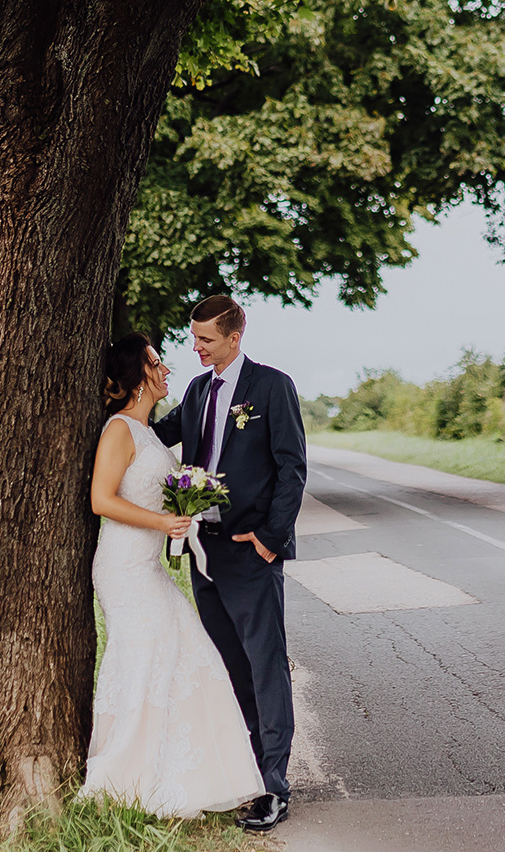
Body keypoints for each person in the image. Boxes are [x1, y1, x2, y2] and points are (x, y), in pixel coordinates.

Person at [79, 334, 265, 817]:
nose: (166, 371)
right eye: (157, 363)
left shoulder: (148, 433)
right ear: (138, 374)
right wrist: (163, 523)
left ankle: (191, 772)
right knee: (146, 658)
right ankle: (127, 774)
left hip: (149, 566)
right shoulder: (118, 430)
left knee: (188, 652)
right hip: (123, 568)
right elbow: (101, 500)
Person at [152, 295, 305, 832]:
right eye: (193, 338)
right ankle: (244, 772)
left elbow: (292, 468)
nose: (195, 347)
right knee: (230, 666)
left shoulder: (272, 387)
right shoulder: (197, 390)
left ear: (234, 338)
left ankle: (274, 787)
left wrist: (270, 538)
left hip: (250, 549)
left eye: (206, 339)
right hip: (204, 551)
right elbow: (153, 436)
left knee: (265, 665)